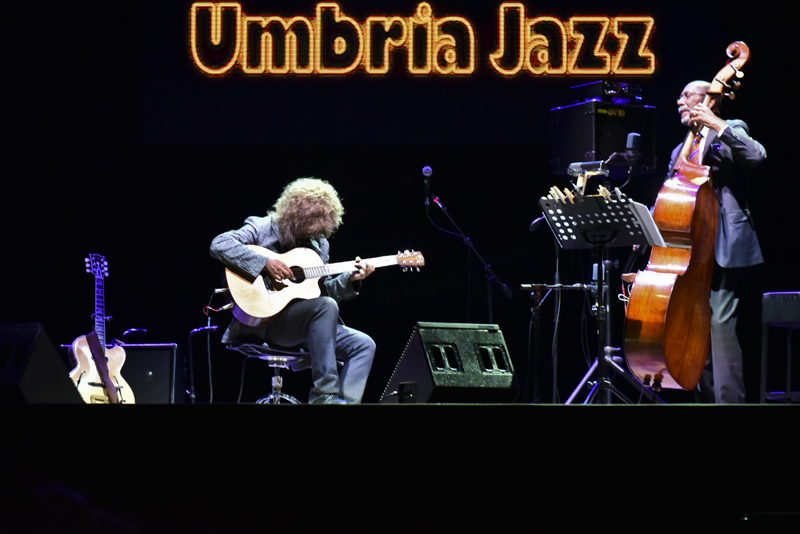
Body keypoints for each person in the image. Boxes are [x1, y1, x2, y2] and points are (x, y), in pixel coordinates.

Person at [210, 177, 376, 404]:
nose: (313, 233)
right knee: (327, 307)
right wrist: (263, 263)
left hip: (307, 325)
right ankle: (324, 396)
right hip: (266, 323)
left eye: (320, 226)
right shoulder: (262, 227)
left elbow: (320, 293)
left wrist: (350, 280)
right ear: (294, 212)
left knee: (363, 345)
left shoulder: (318, 244)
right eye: (309, 224)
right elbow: (220, 244)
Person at [672, 80, 766, 403]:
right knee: (698, 330)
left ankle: (730, 407)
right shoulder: (680, 150)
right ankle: (707, 403)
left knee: (721, 324)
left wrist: (717, 125)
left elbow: (756, 156)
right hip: (693, 252)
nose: (679, 102)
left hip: (726, 243)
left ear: (710, 101)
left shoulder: (730, 129)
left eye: (687, 96)